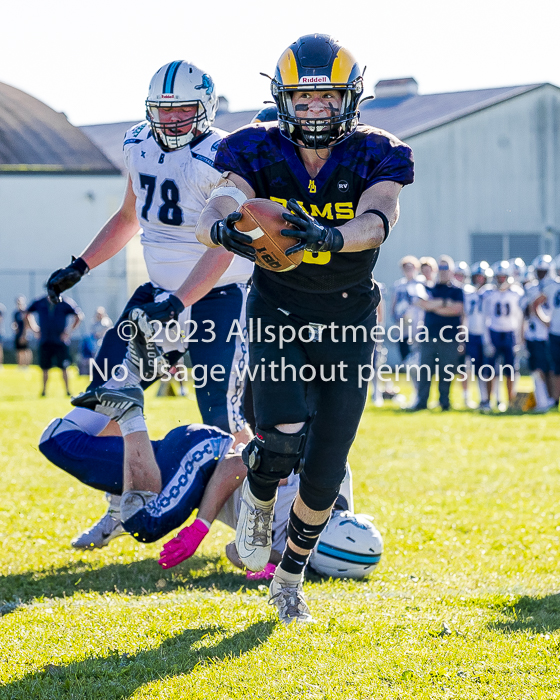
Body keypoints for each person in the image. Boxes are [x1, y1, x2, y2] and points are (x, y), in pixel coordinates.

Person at [191, 34, 413, 623]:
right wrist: (220, 230)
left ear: (350, 100)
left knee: (325, 467)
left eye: (326, 98)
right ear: (282, 98)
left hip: (348, 317)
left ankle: (288, 577)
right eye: (303, 98)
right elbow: (221, 200)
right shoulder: (255, 149)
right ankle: (259, 504)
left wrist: (333, 237)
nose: (314, 109)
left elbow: (380, 215)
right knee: (280, 438)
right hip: (280, 310)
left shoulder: (378, 152)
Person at [45, 61, 253, 544]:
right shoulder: (138, 142)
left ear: (206, 108)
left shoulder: (225, 155)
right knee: (112, 401)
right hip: (158, 296)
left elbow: (224, 246)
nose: (172, 119)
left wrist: (182, 300)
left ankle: (248, 525)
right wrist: (82, 264)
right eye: (163, 109)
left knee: (221, 418)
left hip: (218, 296)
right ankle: (126, 502)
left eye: (183, 109)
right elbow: (128, 216)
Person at [38, 412, 366, 581]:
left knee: (59, 442)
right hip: (206, 455)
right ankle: (130, 413)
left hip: (192, 475)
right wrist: (201, 527)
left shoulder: (298, 550)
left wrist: (283, 563)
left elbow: (236, 553)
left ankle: (117, 411)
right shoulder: (320, 479)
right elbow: (231, 467)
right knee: (148, 522)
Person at [411, 255, 464, 411]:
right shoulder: (429, 287)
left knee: (446, 371)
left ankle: (444, 402)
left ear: (451, 270)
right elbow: (423, 304)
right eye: (440, 268)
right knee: (425, 370)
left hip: (449, 337)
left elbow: (457, 310)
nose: (443, 271)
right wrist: (445, 303)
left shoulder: (457, 290)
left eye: (446, 268)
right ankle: (422, 402)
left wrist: (435, 305)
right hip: (429, 336)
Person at [483, 261, 523, 410]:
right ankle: (488, 401)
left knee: (510, 370)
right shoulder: (488, 294)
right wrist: (486, 340)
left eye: (503, 277)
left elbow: (519, 319)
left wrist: (519, 340)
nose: (500, 280)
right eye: (498, 277)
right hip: (493, 332)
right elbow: (484, 318)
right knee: (489, 370)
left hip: (509, 333)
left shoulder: (516, 293)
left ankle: (511, 401)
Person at [26, 293, 83, 396]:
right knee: (45, 368)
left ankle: (67, 390)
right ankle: (43, 391)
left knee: (64, 367)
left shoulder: (64, 302)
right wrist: (34, 329)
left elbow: (78, 315)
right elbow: (27, 313)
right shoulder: (40, 302)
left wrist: (68, 332)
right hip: (45, 340)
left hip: (60, 341)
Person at [521, 255, 554, 412]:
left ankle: (550, 399)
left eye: (544, 271)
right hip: (535, 335)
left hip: (550, 334)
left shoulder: (554, 286)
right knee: (538, 369)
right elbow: (526, 311)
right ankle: (543, 399)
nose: (541, 274)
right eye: (539, 271)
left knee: (550, 370)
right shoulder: (531, 288)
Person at [464, 261, 494, 411]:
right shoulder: (468, 292)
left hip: (488, 334)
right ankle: (483, 398)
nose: (479, 279)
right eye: (477, 276)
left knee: (490, 369)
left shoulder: (491, 292)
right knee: (476, 369)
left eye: (482, 277)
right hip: (472, 334)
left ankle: (492, 399)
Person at [12, 296, 32, 367]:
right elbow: (15, 323)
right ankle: (20, 365)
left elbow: (27, 324)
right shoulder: (16, 313)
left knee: (25, 350)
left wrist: (24, 335)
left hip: (24, 334)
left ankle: (26, 365)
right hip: (18, 334)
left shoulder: (26, 312)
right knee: (19, 351)